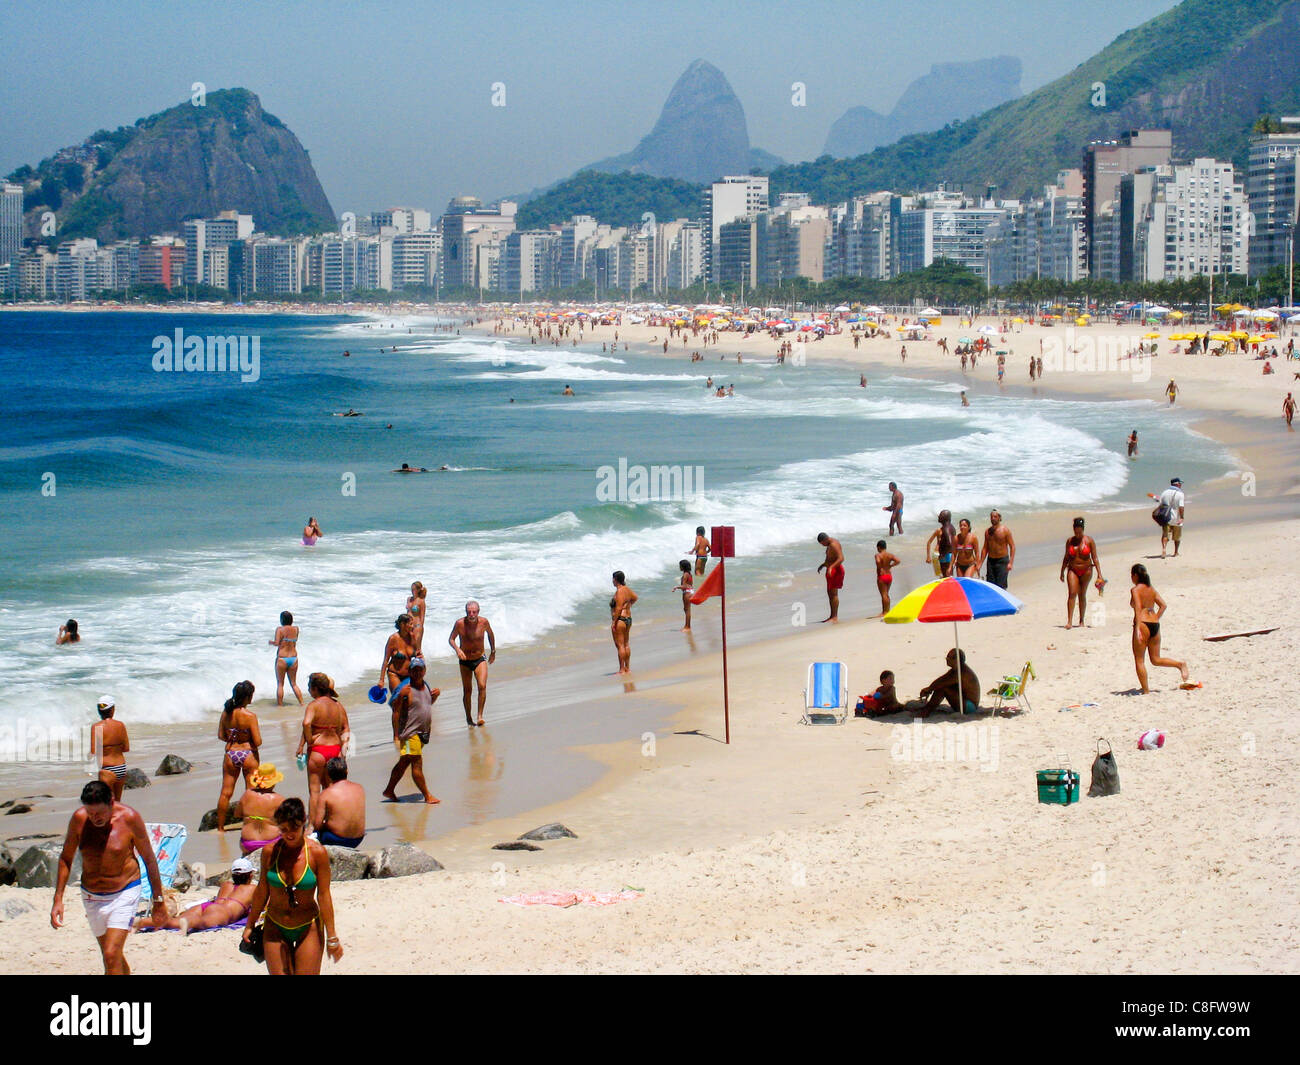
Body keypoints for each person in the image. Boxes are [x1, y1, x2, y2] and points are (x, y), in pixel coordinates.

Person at [51, 780, 167, 975]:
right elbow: (65, 858)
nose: (95, 818)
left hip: (125, 891)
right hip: (91, 895)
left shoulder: (129, 818)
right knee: (111, 955)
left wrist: (159, 901)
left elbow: (149, 859)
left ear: (112, 802)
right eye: (90, 813)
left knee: (111, 954)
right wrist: (58, 899)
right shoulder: (79, 820)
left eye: (100, 813)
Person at [242, 798, 343, 975]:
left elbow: (324, 896)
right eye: (283, 829)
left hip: (308, 925)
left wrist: (332, 937)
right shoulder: (270, 852)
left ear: (303, 822)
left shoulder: (317, 853)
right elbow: (262, 890)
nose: (289, 834)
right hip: (275, 924)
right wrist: (250, 924)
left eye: (294, 828)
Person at [134, 857, 257, 934]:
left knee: (174, 921)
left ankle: (144, 922)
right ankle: (189, 923)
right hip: (222, 912)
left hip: (206, 905)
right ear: (250, 875)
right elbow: (263, 906)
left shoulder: (226, 884)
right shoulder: (252, 889)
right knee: (200, 922)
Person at [384, 658, 440, 803]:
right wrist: (396, 734)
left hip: (423, 733)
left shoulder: (426, 686)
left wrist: (435, 697)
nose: (417, 672)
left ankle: (389, 790)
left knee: (404, 763)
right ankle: (427, 795)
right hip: (410, 734)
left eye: (419, 669)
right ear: (409, 672)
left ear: (424, 670)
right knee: (416, 763)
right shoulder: (406, 690)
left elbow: (425, 705)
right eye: (414, 670)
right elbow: (395, 710)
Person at [1129, 563, 1190, 693]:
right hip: (1155, 624)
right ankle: (1180, 664)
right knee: (1156, 659)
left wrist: (1138, 628)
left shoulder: (1135, 590)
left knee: (1139, 660)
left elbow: (1138, 608)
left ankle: (1146, 690)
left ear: (1135, 575)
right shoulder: (1151, 589)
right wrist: (1155, 617)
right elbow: (1163, 605)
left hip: (1143, 624)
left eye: (1131, 575)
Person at [297, 673, 350, 817]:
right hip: (335, 749)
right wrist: (344, 748)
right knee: (330, 788)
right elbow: (346, 728)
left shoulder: (313, 705)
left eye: (309, 687)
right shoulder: (338, 706)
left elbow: (306, 723)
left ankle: (312, 826)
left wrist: (309, 742)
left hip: (318, 750)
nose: (308, 690)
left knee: (314, 791)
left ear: (315, 688)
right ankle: (332, 818)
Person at [216, 681, 261, 832]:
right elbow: (258, 741)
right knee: (251, 791)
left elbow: (221, 735)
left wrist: (233, 738)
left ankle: (221, 827)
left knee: (226, 792)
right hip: (248, 753)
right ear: (247, 697)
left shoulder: (226, 713)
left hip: (230, 753)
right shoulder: (250, 716)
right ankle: (250, 824)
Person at [449, 600, 496, 727]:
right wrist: (458, 650)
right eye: (469, 612)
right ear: (466, 612)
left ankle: (480, 715)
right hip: (464, 660)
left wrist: (493, 651)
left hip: (479, 658)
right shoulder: (460, 623)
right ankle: (469, 718)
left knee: (482, 686)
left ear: (478, 612)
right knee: (467, 690)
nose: (471, 614)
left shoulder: (484, 622)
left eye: (474, 612)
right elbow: (451, 639)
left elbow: (490, 635)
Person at [313, 757, 366, 848]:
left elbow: (317, 824)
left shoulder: (326, 794)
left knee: (315, 834)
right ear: (347, 771)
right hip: (358, 838)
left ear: (328, 775)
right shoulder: (360, 788)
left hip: (337, 839)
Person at [1059, 517, 1103, 629]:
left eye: (1080, 531)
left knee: (1082, 594)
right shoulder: (1070, 541)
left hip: (1086, 570)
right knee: (1072, 593)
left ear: (1083, 530)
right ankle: (1069, 621)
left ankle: (1081, 621)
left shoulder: (1089, 541)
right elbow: (1066, 557)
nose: (1078, 534)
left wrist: (1099, 574)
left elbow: (1095, 558)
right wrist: (1062, 571)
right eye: (1076, 531)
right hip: (1073, 569)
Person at [236, 762, 285, 855]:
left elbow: (237, 814)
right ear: (273, 782)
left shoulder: (247, 794)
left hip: (247, 843)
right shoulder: (279, 799)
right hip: (271, 841)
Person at [917, 648, 980, 717]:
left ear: (956, 660)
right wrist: (929, 688)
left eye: (949, 657)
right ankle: (927, 708)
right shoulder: (957, 669)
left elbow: (942, 682)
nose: (946, 659)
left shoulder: (961, 672)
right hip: (965, 701)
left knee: (943, 688)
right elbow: (942, 679)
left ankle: (926, 711)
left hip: (969, 706)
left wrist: (929, 689)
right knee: (943, 687)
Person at [90, 697, 129, 803]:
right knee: (117, 802)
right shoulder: (120, 725)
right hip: (121, 767)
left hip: (106, 769)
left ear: (99, 711)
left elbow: (94, 751)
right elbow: (126, 748)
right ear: (113, 709)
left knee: (107, 804)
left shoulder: (97, 727)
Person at [269, 610, 303, 706]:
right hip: (293, 658)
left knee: (280, 684)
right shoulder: (296, 629)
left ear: (282, 620)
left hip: (282, 658)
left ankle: (280, 706)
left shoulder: (280, 629)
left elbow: (277, 643)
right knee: (294, 684)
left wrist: (270, 642)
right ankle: (302, 703)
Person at [380, 614, 418, 697]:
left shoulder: (412, 637)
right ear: (402, 624)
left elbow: (417, 655)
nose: (412, 626)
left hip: (408, 675)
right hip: (394, 674)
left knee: (410, 702)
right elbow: (386, 660)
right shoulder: (393, 639)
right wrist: (381, 680)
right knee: (398, 698)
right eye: (410, 624)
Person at [610, 571, 638, 673]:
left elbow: (618, 608)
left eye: (613, 578)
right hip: (628, 619)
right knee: (626, 644)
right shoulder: (627, 589)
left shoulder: (620, 591)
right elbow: (635, 597)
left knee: (620, 645)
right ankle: (627, 668)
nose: (612, 580)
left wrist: (614, 622)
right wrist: (629, 605)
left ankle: (622, 669)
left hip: (620, 620)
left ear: (616, 579)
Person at [979, 510, 1016, 589]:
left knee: (1001, 586)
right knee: (991, 586)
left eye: (995, 517)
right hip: (991, 561)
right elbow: (985, 548)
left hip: (1002, 561)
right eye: (991, 517)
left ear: (999, 518)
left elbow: (1012, 546)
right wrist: (980, 563)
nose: (993, 518)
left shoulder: (1005, 530)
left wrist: (1010, 563)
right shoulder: (987, 532)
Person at [1152, 477, 1186, 558]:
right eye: (1180, 483)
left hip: (1166, 517)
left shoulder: (1164, 492)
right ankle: (1176, 552)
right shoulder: (1180, 494)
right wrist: (1181, 517)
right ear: (1177, 484)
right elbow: (1181, 507)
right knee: (1177, 536)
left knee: (1165, 535)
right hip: (1176, 518)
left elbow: (1161, 504)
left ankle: (1164, 549)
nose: (1181, 485)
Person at [816, 532, 845, 623]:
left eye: (822, 544)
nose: (822, 546)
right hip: (832, 570)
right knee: (830, 594)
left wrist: (831, 567)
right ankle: (832, 616)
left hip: (836, 570)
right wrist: (823, 565)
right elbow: (831, 557)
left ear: (825, 540)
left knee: (833, 594)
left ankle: (835, 616)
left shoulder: (833, 544)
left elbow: (841, 558)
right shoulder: (830, 544)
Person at [926, 511, 957, 577]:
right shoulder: (951, 528)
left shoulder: (945, 529)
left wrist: (943, 555)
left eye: (940, 515)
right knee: (946, 576)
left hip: (945, 554)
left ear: (945, 518)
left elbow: (949, 544)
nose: (938, 516)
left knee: (946, 577)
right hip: (944, 554)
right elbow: (929, 542)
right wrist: (928, 556)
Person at [873, 540, 901, 615]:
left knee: (883, 594)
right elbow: (898, 561)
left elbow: (878, 561)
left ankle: (885, 612)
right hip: (889, 576)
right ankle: (886, 611)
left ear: (879, 547)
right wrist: (891, 565)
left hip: (882, 576)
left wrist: (880, 567)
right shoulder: (890, 555)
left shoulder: (878, 555)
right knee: (886, 594)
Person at [406, 581, 428, 652]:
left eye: (414, 589)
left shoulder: (421, 601)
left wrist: (421, 628)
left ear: (418, 590)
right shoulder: (409, 599)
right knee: (408, 646)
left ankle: (420, 661)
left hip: (417, 626)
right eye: (411, 589)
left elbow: (422, 616)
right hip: (408, 625)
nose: (412, 591)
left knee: (416, 648)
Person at [672, 559, 694, 630]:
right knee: (687, 609)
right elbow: (690, 584)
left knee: (687, 610)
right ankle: (688, 626)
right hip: (691, 591)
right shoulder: (689, 574)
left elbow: (684, 586)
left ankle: (687, 626)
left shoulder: (685, 575)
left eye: (680, 566)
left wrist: (676, 587)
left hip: (687, 593)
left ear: (683, 567)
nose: (679, 567)